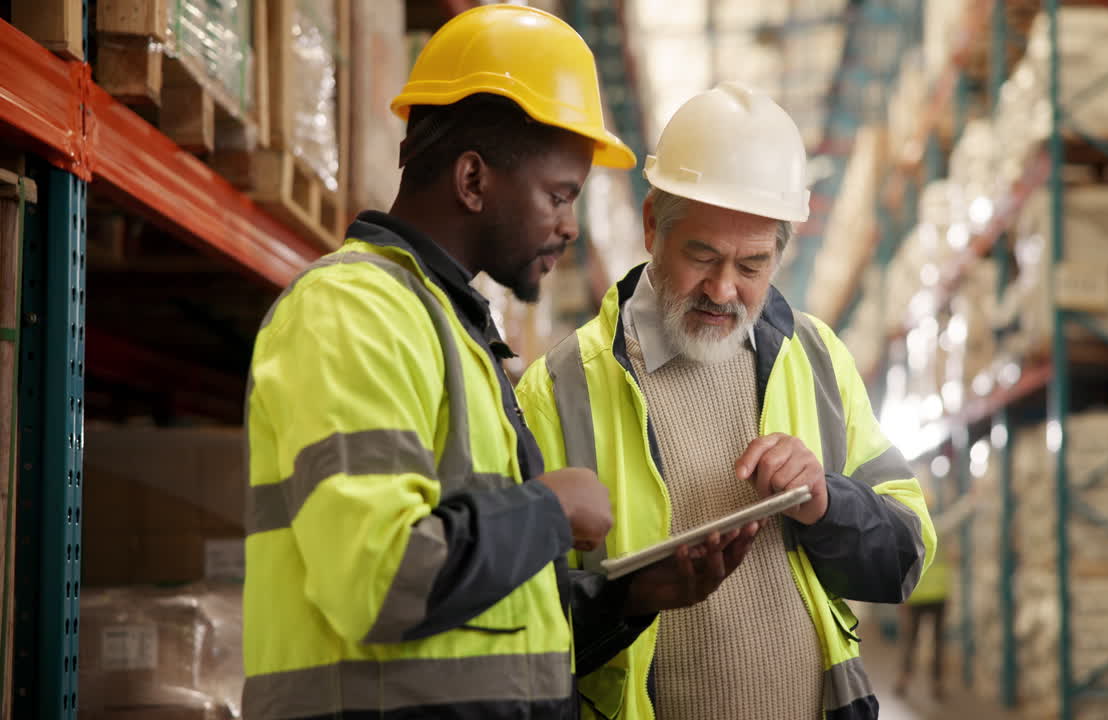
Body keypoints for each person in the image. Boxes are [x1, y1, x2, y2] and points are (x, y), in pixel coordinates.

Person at [241, 7, 751, 718]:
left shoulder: (450, 330)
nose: (570, 226)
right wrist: (549, 509)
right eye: (558, 195)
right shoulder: (351, 312)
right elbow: (381, 578)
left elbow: (492, 635)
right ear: (473, 179)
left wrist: (632, 596)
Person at [517, 82, 937, 720]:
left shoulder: (817, 358)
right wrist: (632, 598)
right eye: (702, 256)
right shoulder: (561, 388)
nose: (722, 289)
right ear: (654, 226)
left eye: (752, 266)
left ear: (780, 252)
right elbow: (518, 624)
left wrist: (826, 501)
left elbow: (904, 556)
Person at [894, 489, 952, 700]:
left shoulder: (910, 530)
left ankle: (904, 679)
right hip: (938, 595)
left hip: (916, 595)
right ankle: (937, 683)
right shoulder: (940, 528)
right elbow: (957, 517)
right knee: (937, 641)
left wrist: (902, 598)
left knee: (911, 639)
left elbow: (902, 567)